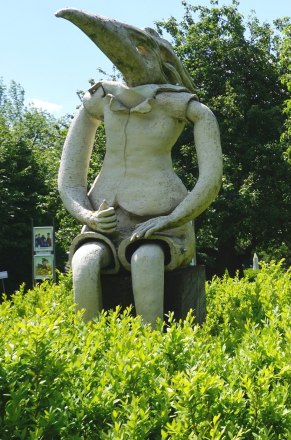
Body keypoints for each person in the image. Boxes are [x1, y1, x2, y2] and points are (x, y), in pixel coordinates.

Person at [56, 9, 222, 327]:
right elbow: (70, 177)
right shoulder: (101, 100)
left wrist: (174, 218)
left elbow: (211, 179)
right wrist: (87, 215)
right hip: (105, 220)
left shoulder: (186, 107)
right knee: (84, 262)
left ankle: (153, 353)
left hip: (163, 223)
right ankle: (88, 353)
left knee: (147, 259)